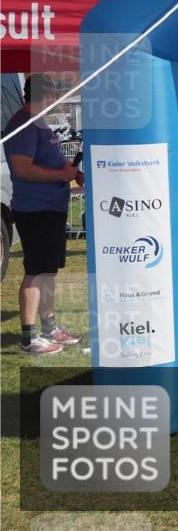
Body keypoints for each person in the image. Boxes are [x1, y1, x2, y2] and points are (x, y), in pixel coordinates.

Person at [1, 74, 83, 355]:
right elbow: (22, 168)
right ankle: (28, 337)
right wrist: (61, 174)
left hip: (51, 208)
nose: (55, 100)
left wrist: (70, 174)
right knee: (36, 271)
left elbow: (45, 164)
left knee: (47, 271)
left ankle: (49, 328)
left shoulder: (38, 123)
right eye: (52, 94)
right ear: (42, 94)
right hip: (35, 209)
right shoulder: (24, 124)